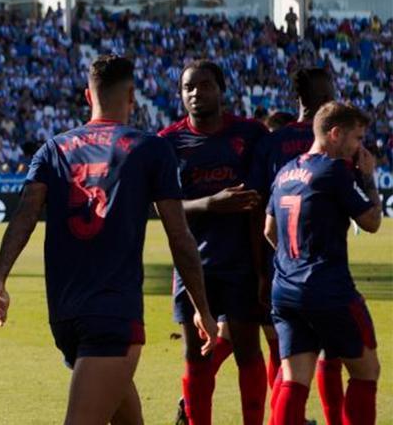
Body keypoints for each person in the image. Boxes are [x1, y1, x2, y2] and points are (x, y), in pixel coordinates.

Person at [0, 56, 217, 424]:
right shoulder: (150, 148)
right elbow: (179, 235)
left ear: (86, 95)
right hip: (112, 312)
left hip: (64, 313)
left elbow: (24, 217)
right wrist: (202, 308)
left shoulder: (53, 148)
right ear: (131, 96)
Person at [159, 60, 269, 425]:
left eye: (204, 85)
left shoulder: (251, 134)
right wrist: (211, 203)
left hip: (241, 260)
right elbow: (162, 208)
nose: (196, 93)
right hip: (192, 264)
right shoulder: (167, 142)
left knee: (248, 352)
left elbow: (261, 194)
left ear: (221, 89)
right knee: (196, 354)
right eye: (188, 87)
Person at [265, 101, 382, 425]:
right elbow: (371, 221)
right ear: (335, 134)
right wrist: (367, 178)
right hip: (328, 290)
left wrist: (295, 262)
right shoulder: (332, 171)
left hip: (285, 290)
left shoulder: (286, 170)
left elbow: (269, 230)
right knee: (366, 371)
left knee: (294, 378)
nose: (360, 147)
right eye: (357, 138)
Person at [248, 67, 340, 425]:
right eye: (329, 91)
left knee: (287, 357)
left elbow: (257, 211)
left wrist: (261, 268)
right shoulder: (332, 142)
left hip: (280, 269)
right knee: (334, 357)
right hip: (324, 269)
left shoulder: (271, 143)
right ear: (317, 97)